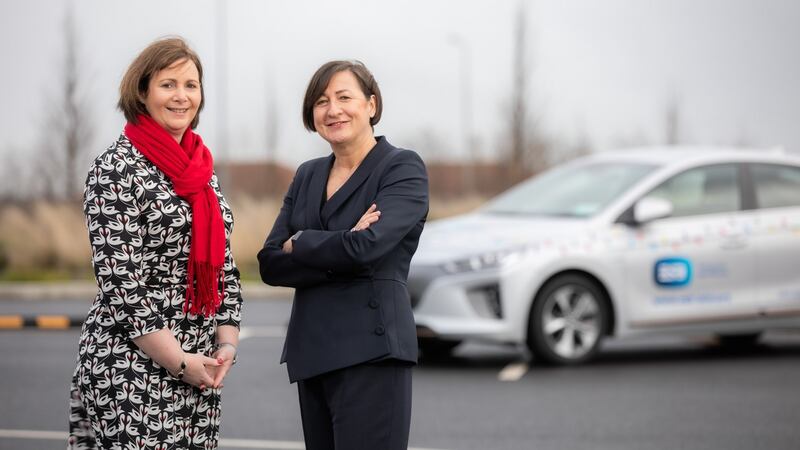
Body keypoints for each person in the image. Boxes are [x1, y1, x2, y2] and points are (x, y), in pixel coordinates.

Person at [68, 37, 243, 450]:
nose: (182, 96)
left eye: (191, 84)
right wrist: (178, 362)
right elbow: (120, 281)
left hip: (200, 366)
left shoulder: (202, 169)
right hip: (132, 366)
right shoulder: (115, 167)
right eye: (168, 84)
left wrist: (227, 342)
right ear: (142, 92)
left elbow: (224, 265)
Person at [258, 60, 429, 450]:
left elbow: (367, 248)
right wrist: (342, 243)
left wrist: (300, 242)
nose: (333, 109)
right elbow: (268, 262)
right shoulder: (307, 174)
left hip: (372, 352)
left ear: (371, 104)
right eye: (321, 101)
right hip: (312, 351)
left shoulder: (401, 168)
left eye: (344, 97)